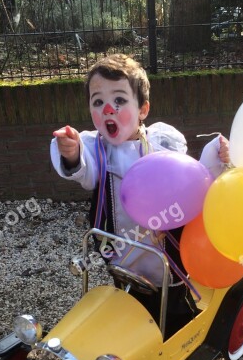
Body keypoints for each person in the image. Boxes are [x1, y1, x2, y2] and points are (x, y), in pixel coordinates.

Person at [51, 53, 230, 337]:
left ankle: (179, 334)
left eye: (119, 100)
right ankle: (134, 320)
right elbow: (84, 174)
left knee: (168, 291)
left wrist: (215, 158)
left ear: (143, 109)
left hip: (161, 242)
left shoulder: (160, 143)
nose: (108, 109)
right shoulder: (97, 150)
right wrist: (72, 154)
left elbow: (191, 180)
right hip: (119, 241)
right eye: (98, 102)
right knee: (128, 284)